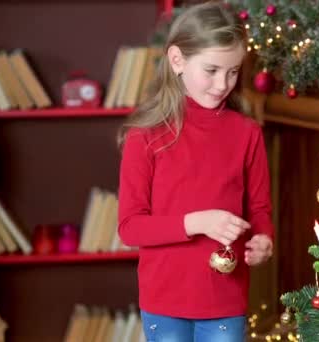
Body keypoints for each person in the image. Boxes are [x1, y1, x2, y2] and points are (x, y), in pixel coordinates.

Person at [117, 2, 274, 341]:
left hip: (225, 299)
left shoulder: (247, 133)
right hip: (164, 301)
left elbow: (259, 209)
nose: (223, 84)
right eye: (212, 70)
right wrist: (197, 222)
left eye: (233, 72)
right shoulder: (144, 136)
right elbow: (130, 228)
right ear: (177, 60)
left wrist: (263, 240)